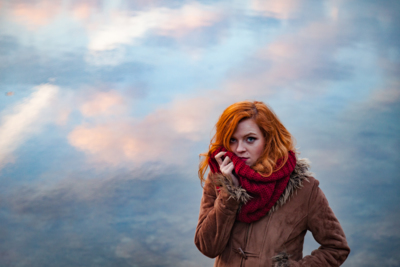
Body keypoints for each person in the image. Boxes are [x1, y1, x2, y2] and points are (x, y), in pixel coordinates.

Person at [194, 101, 350, 267]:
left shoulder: (303, 188)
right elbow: (208, 248)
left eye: (250, 139)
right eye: (232, 140)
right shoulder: (219, 179)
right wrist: (229, 193)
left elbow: (336, 248)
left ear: (268, 139)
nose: (239, 149)